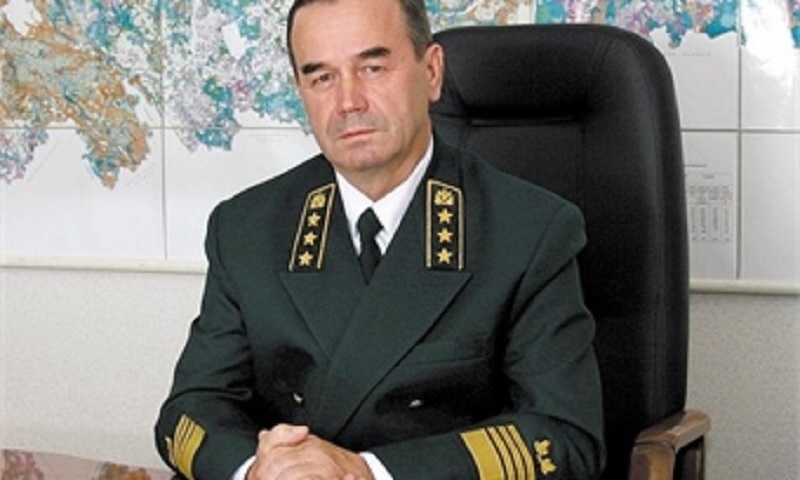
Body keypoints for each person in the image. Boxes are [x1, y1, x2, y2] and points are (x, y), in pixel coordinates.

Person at [155, 0, 605, 478]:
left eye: (372, 68)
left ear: (431, 73)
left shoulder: (529, 231)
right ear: (301, 91)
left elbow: (565, 436)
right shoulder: (246, 228)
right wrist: (255, 470)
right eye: (321, 77)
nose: (348, 102)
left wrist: (366, 471)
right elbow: (190, 409)